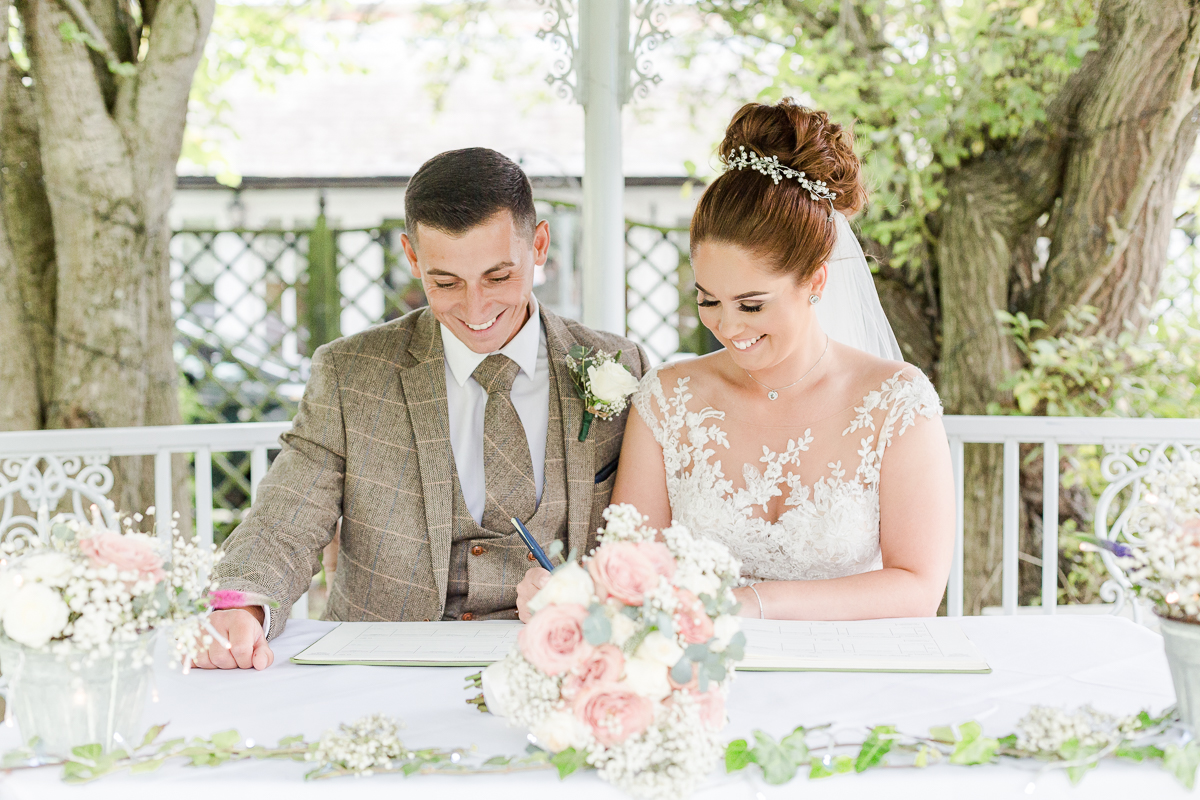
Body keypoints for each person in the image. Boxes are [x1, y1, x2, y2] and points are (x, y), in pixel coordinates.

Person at [197, 148, 648, 669]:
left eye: (498, 278)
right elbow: (286, 519)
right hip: (386, 667)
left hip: (567, 665)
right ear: (413, 259)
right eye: (446, 283)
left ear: (539, 245)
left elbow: (647, 534)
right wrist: (240, 603)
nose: (476, 310)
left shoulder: (617, 364)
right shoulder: (351, 375)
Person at [519, 99, 953, 622]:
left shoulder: (896, 401)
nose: (727, 328)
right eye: (707, 301)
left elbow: (917, 587)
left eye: (751, 304)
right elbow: (632, 566)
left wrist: (756, 604)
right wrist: (574, 593)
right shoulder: (667, 397)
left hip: (851, 668)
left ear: (815, 280)